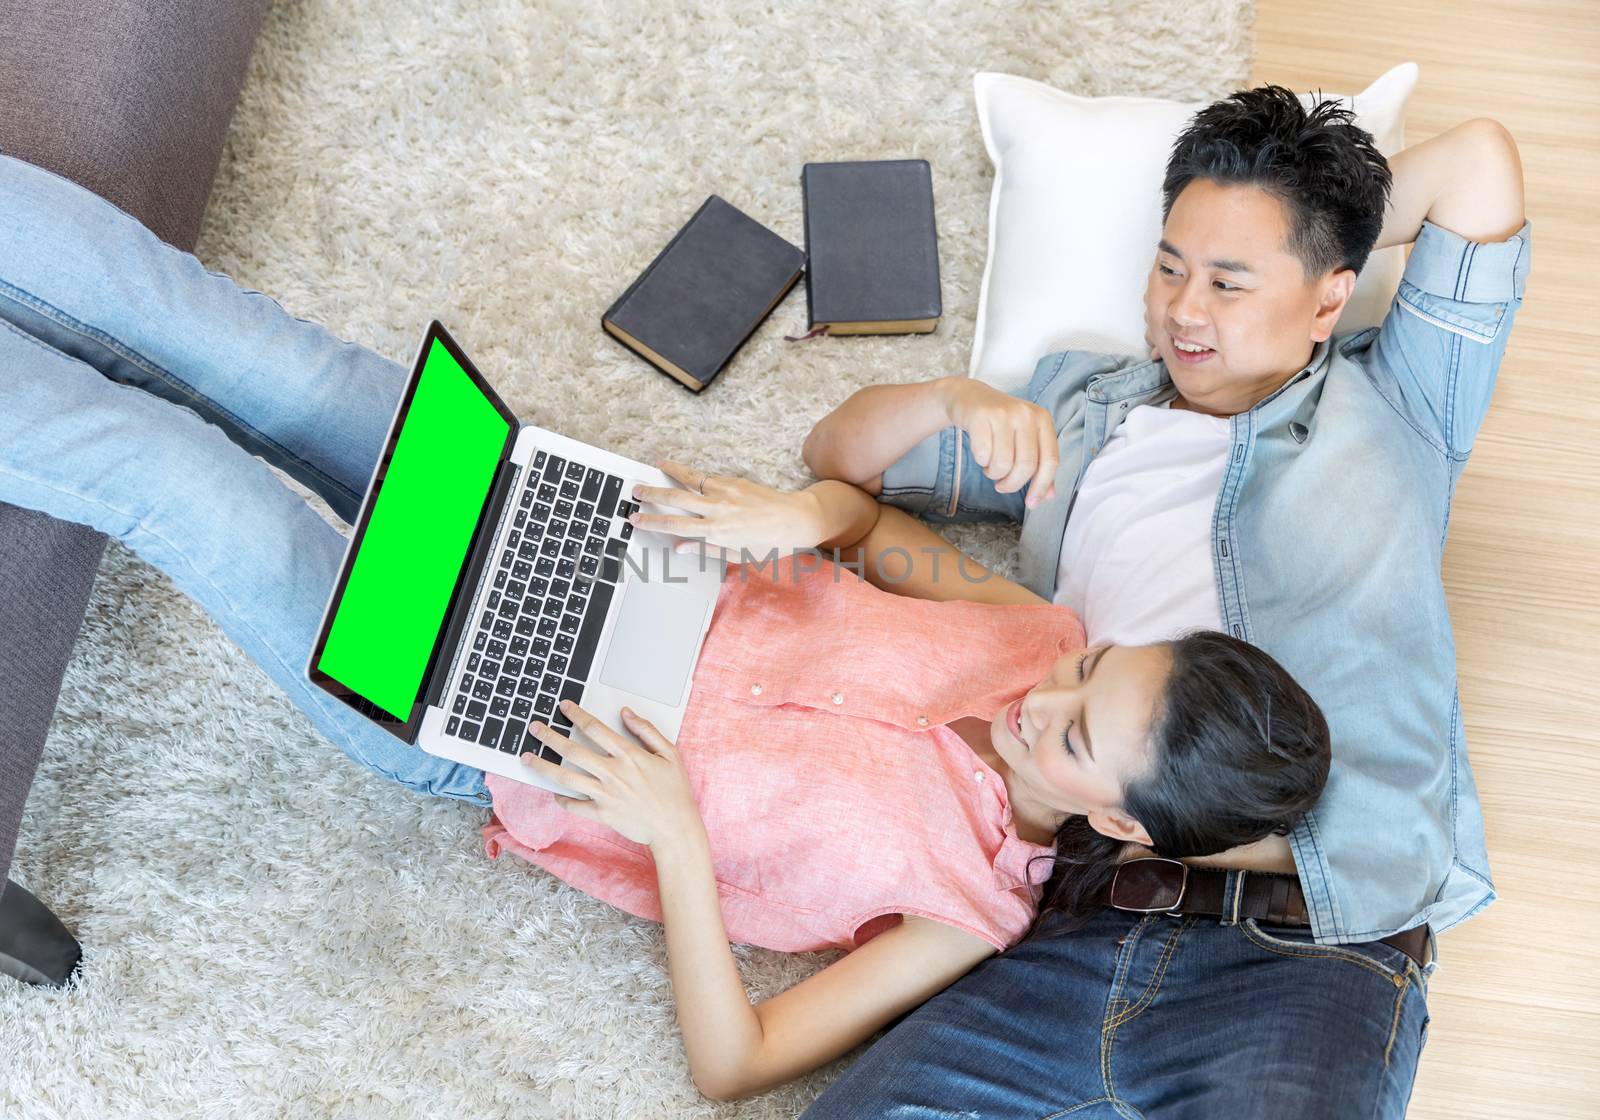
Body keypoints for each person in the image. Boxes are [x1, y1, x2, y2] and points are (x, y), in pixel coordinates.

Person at [0, 150, 1329, 1100]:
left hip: (502, 726)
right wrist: (806, 518)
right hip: (589, 524)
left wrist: (676, 839)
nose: (1047, 696)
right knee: (243, 350)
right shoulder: (1033, 630)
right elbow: (860, 516)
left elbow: (733, 1067)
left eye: (1079, 735)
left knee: (179, 479)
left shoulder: (966, 912)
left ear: (1124, 827)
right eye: (1094, 667)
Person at [798, 86, 1530, 1117]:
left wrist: (1313, 204)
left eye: (1230, 282)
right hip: (1072, 921)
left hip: (1309, 948)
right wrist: (954, 399)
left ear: (1329, 297)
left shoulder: (1398, 401)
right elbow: (837, 459)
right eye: (1170, 265)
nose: (1184, 310)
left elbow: (1479, 157)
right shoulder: (1080, 408)